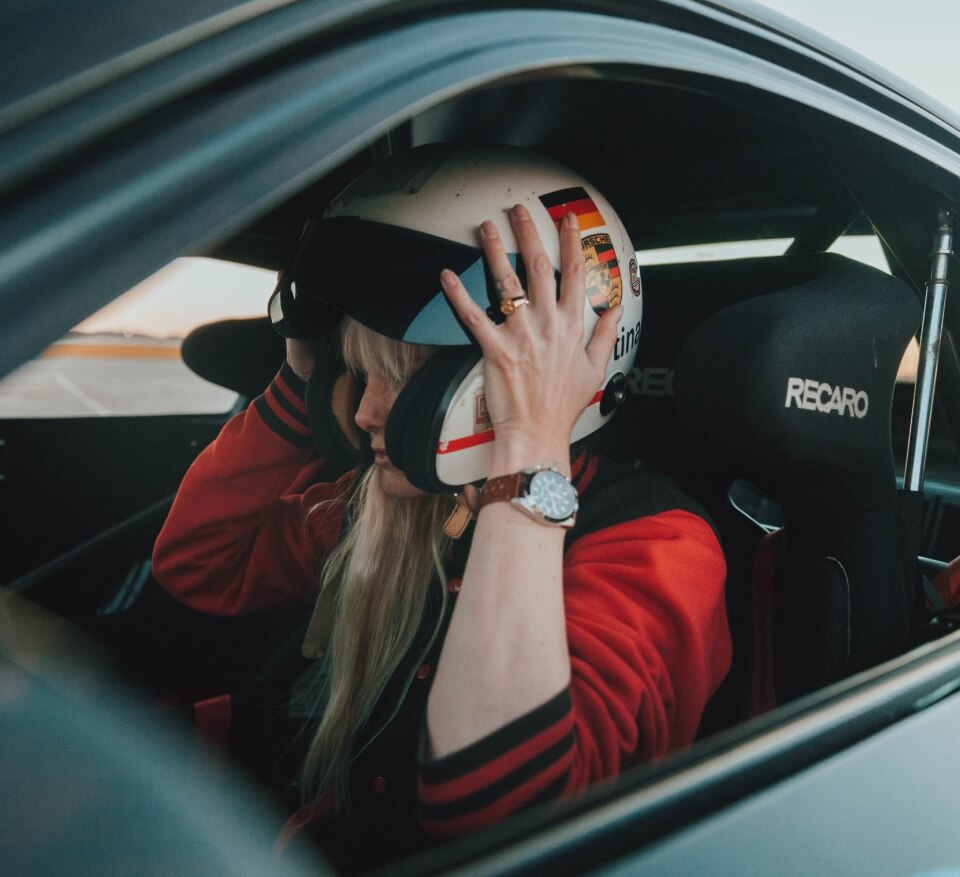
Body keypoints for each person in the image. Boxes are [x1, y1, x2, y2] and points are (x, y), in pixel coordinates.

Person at [152, 145, 731, 871]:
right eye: (354, 372)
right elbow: (198, 564)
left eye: (397, 380)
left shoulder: (656, 545)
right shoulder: (394, 508)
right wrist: (304, 389)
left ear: (513, 380)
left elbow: (494, 801)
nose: (361, 412)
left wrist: (530, 446)